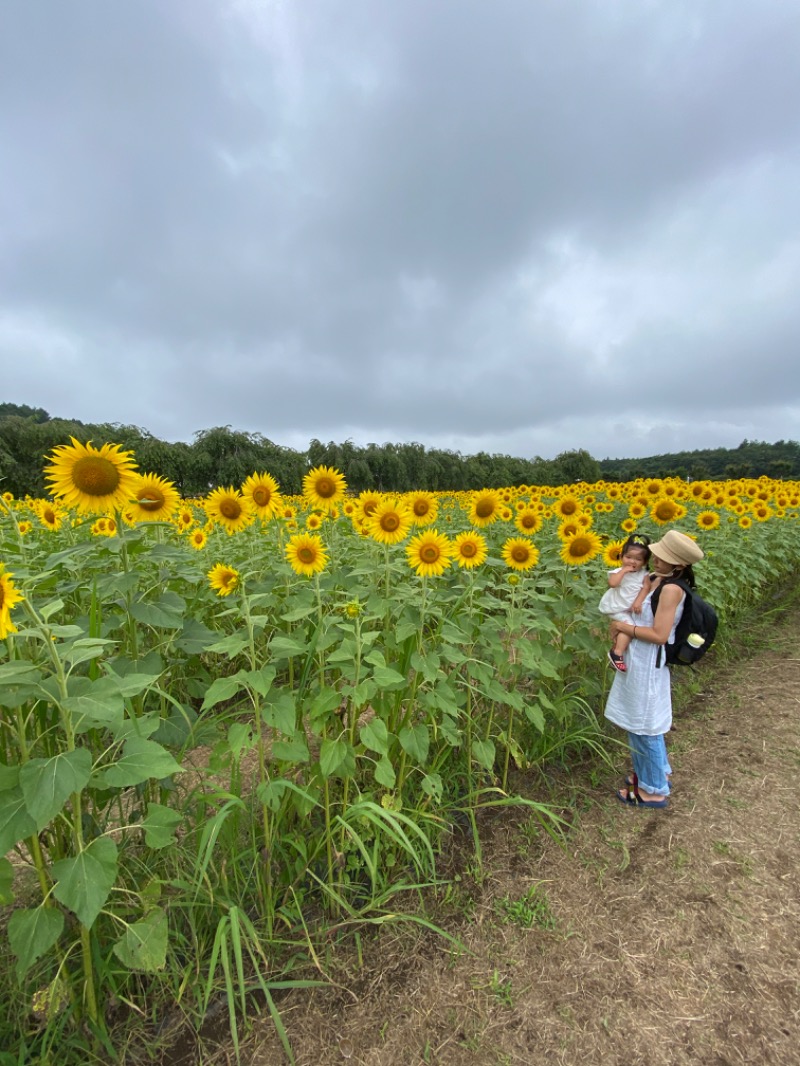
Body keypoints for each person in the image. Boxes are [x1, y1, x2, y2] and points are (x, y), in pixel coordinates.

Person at [604, 529, 704, 809]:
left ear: (680, 565)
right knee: (647, 723)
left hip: (648, 663)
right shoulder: (661, 580)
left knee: (643, 725)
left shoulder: (671, 589)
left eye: (664, 557)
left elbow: (660, 634)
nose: (655, 558)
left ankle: (652, 790)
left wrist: (623, 627)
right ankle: (657, 773)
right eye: (657, 553)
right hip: (642, 659)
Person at [598, 533, 652, 671]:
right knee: (629, 627)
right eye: (628, 557)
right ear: (621, 557)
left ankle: (618, 645)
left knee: (631, 627)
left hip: (629, 608)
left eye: (638, 559)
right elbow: (612, 584)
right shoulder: (618, 572)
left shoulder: (644, 575)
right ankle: (617, 653)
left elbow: (646, 588)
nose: (632, 562)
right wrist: (623, 571)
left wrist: (638, 602)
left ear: (645, 562)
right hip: (616, 608)